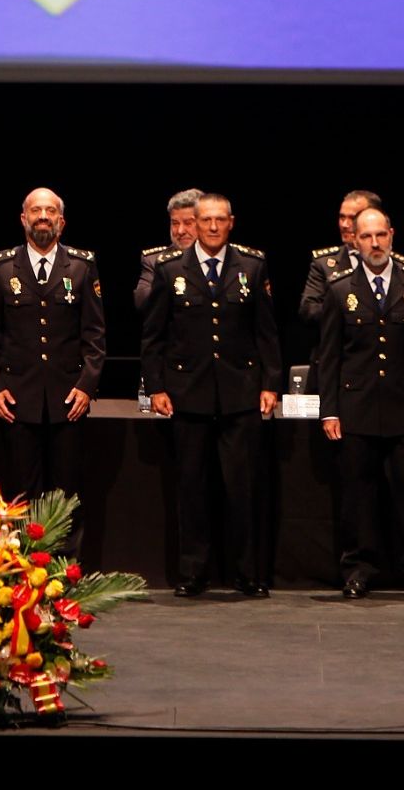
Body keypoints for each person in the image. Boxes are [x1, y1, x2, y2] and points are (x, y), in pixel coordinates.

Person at [141, 192, 281, 598]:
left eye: (221, 220)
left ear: (231, 222)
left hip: (241, 394)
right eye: (206, 221)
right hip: (189, 393)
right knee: (192, 488)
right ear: (195, 224)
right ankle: (193, 573)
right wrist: (157, 387)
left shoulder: (252, 265)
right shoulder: (170, 269)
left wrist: (270, 383)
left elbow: (266, 332)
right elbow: (154, 335)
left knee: (243, 488)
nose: (214, 227)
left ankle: (248, 573)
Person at [318, 209, 404, 599]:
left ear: (392, 235)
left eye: (381, 236)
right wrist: (330, 409)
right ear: (354, 241)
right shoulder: (340, 289)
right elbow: (331, 355)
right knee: (358, 495)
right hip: (356, 408)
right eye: (366, 237)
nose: (375, 243)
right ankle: (358, 568)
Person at [0, 188, 106, 530]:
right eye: (36, 210)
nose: (43, 216)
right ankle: (22, 572)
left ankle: (67, 574)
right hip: (18, 400)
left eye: (50, 211)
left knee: (67, 495)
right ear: (24, 219)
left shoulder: (81, 265)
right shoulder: (1, 267)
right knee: (21, 495)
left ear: (61, 223)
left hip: (69, 400)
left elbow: (95, 336)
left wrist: (86, 387)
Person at [298, 190, 385, 327]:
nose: (344, 225)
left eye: (352, 218)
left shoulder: (394, 264)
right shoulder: (324, 264)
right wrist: (348, 313)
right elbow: (308, 310)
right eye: (342, 217)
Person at [133, 189, 199, 313]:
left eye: (188, 223)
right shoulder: (155, 260)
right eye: (175, 223)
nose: (180, 231)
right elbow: (141, 302)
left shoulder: (222, 257)